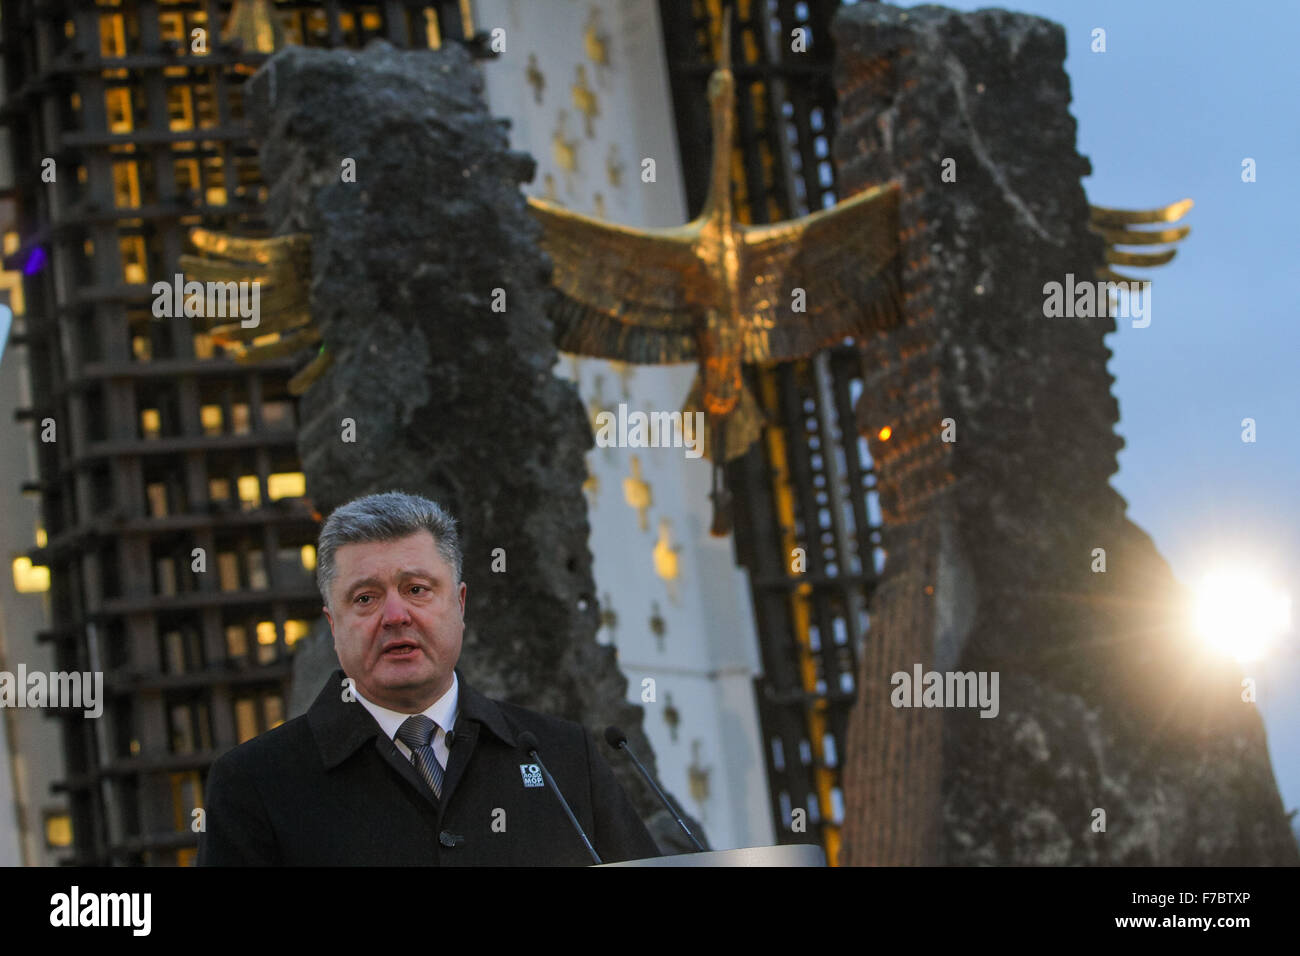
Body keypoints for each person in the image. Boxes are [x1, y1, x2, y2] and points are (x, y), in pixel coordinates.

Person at [198, 491, 661, 865]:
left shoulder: (561, 756)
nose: (395, 615)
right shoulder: (257, 782)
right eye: (365, 598)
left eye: (417, 590)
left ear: (459, 604)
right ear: (332, 624)